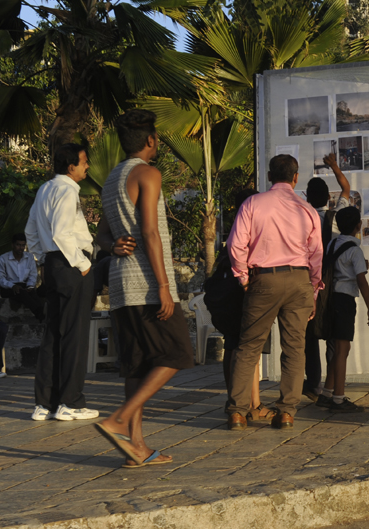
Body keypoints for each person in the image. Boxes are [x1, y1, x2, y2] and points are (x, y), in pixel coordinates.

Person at [94, 109, 195, 468]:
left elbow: (102, 235)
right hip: (148, 284)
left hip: (121, 286)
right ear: (151, 140)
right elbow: (151, 232)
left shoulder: (111, 179)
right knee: (178, 352)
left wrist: (112, 247)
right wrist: (165, 287)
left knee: (137, 366)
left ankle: (135, 446)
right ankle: (119, 419)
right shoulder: (148, 174)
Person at [225, 154, 324, 430]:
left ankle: (237, 412)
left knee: (248, 347)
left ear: (269, 176)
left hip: (264, 280)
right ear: (296, 177)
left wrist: (243, 277)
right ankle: (287, 412)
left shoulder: (253, 204)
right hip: (299, 280)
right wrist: (313, 290)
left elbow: (235, 245)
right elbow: (316, 254)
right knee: (294, 349)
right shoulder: (307, 210)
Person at [25, 143, 100, 422]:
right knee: (75, 334)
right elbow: (61, 233)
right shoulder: (67, 190)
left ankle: (44, 403)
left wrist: (40, 259)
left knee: (53, 333)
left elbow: (31, 228)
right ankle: (71, 402)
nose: (87, 166)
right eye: (83, 162)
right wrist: (83, 264)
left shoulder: (45, 189)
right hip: (71, 264)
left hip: (53, 264)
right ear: (71, 166)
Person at [203, 188, 276, 422]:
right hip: (246, 294)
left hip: (226, 297)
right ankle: (251, 405)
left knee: (233, 347)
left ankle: (234, 402)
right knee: (249, 349)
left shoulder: (233, 232)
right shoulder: (251, 230)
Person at [317, 207, 369, 412]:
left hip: (331, 298)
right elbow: (361, 280)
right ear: (358, 226)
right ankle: (338, 398)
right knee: (342, 349)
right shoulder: (355, 250)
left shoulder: (333, 243)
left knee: (340, 348)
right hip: (345, 300)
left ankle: (327, 392)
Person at [302, 153, 351, 402]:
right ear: (329, 198)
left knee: (309, 334)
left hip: (309, 283)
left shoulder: (302, 220)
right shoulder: (336, 217)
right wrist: (333, 166)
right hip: (333, 283)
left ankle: (313, 383)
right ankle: (331, 387)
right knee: (332, 334)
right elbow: (346, 187)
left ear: (307, 198)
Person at [0, 233, 45, 321]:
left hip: (24, 285)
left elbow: (33, 274)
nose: (20, 248)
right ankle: (40, 314)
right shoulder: (3, 258)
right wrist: (12, 286)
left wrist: (30, 286)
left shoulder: (29, 257)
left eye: (23, 245)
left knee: (32, 293)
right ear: (12, 245)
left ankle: (42, 313)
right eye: (18, 245)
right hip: (8, 288)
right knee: (22, 292)